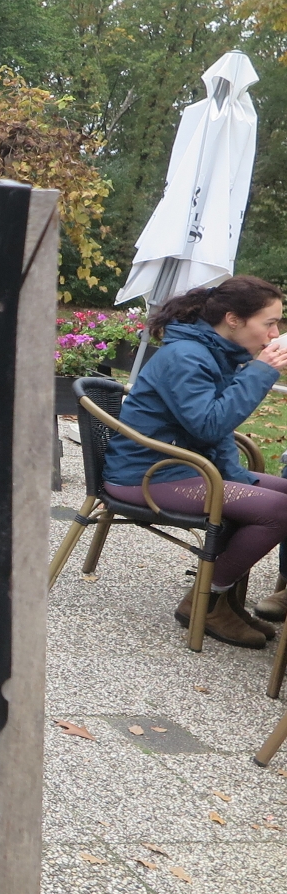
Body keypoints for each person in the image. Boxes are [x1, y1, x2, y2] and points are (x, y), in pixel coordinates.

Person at [102, 275, 287, 648]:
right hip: (148, 475)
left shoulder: (212, 351)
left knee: (282, 494)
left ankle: (225, 598)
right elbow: (209, 424)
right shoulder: (187, 356)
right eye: (269, 323)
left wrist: (236, 477)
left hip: (181, 467)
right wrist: (262, 370)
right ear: (233, 319)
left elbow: (215, 430)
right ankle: (207, 601)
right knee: (280, 510)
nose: (275, 334)